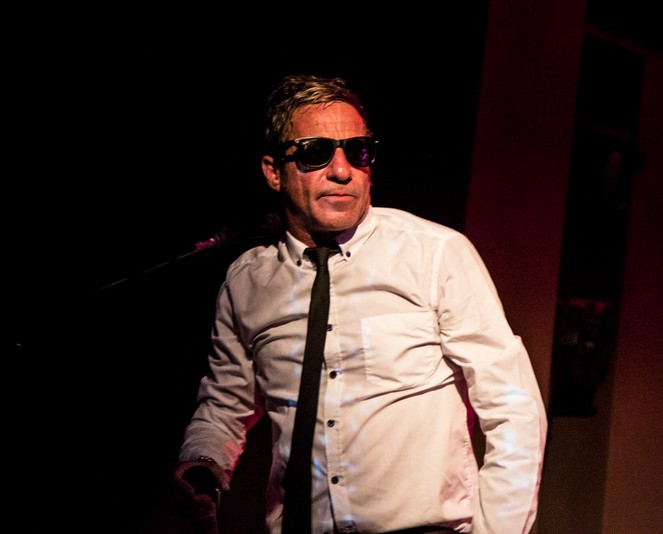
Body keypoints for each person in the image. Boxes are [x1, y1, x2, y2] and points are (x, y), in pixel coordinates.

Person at [173, 73, 548, 534]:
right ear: (273, 171)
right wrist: (204, 460)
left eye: (358, 151)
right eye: (315, 152)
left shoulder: (434, 254)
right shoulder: (248, 281)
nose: (342, 170)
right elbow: (224, 404)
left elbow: (513, 406)